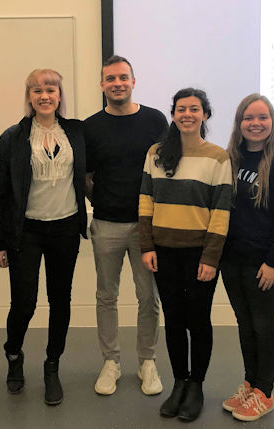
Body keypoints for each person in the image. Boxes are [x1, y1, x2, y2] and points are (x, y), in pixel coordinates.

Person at [0, 69, 88, 406]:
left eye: (51, 89)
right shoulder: (13, 137)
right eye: (37, 90)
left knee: (61, 300)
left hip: (65, 228)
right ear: (29, 97)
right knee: (25, 302)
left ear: (60, 95)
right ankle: (14, 355)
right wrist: (0, 242)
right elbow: (1, 194)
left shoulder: (76, 132)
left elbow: (89, 176)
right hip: (26, 232)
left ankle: (52, 365)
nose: (44, 95)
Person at [139, 88, 232, 422]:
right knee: (174, 321)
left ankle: (197, 385)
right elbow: (146, 201)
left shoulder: (218, 158)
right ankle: (179, 382)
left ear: (205, 115)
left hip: (199, 256)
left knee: (198, 320)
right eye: (181, 109)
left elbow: (221, 212)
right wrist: (146, 246)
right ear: (173, 114)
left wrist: (210, 258)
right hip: (163, 252)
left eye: (194, 109)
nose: (187, 115)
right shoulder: (157, 153)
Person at [84, 55, 168, 396]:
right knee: (107, 295)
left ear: (134, 82)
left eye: (123, 77)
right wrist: (102, 201)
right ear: (102, 85)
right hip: (106, 224)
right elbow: (87, 177)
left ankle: (147, 361)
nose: (117, 83)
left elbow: (166, 169)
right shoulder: (91, 127)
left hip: (148, 227)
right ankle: (111, 362)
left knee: (149, 297)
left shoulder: (155, 120)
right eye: (110, 78)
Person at [220, 94, 274, 422]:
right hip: (231, 260)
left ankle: (264, 392)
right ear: (239, 123)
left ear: (272, 122)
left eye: (262, 117)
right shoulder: (229, 160)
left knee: (264, 326)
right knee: (245, 323)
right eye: (249, 118)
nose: (256, 123)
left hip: (264, 262)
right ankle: (250, 382)